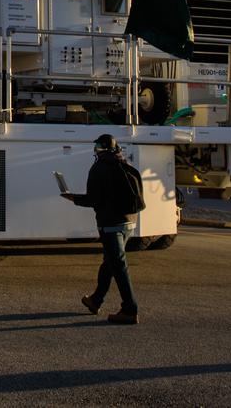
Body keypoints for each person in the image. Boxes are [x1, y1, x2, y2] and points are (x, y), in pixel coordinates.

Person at [62, 133, 142, 324]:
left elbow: (93, 199)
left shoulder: (99, 168)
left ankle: (130, 309)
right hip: (129, 222)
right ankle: (96, 300)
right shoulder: (124, 164)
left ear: (99, 149)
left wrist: (74, 199)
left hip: (110, 224)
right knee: (110, 262)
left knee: (118, 265)